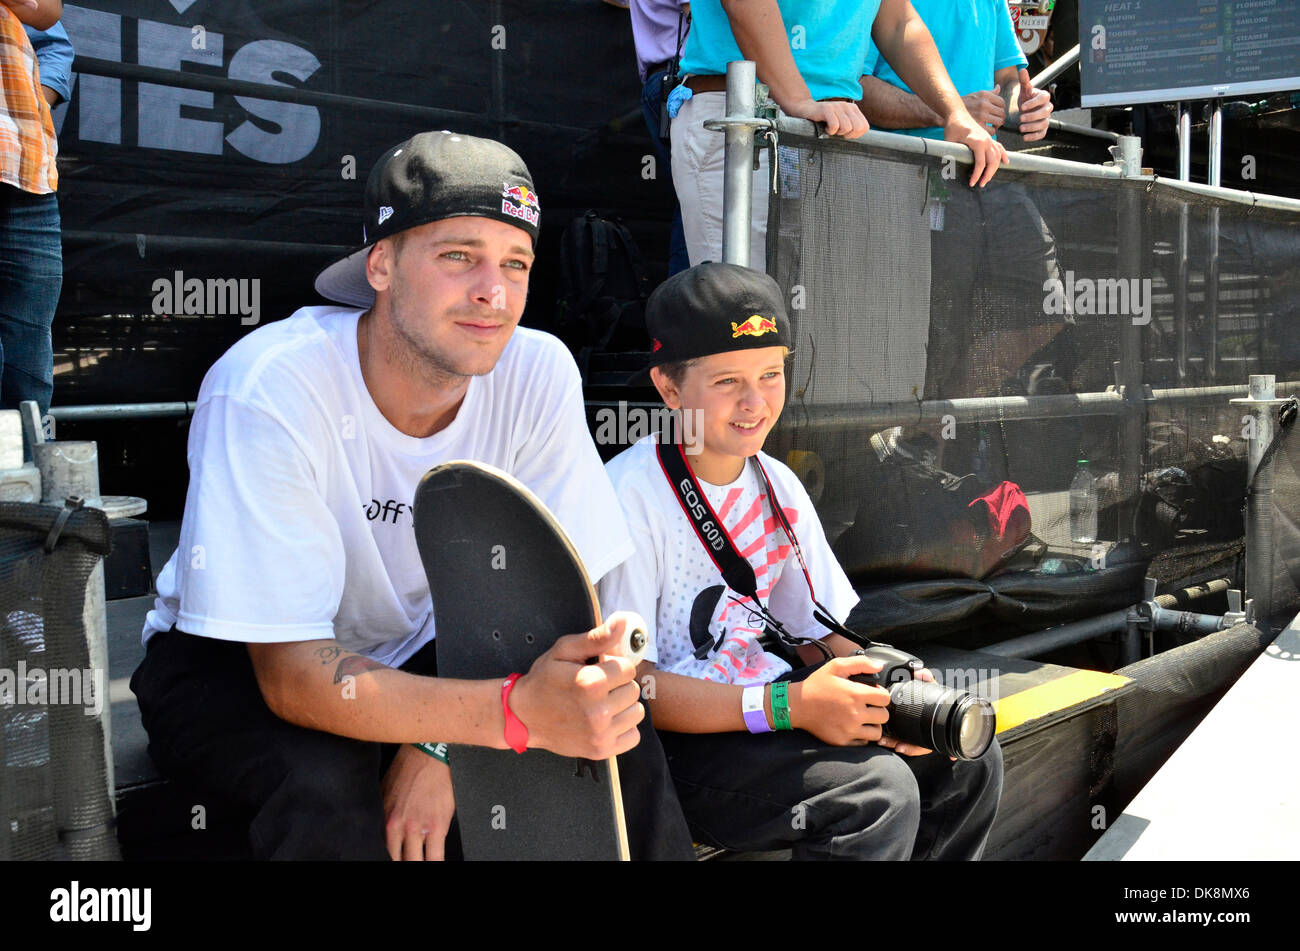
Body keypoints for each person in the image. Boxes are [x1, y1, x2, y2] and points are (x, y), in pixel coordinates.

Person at [131, 131, 694, 861]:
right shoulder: (270, 385)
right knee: (326, 788)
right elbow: (294, 676)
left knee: (613, 728)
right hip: (241, 655)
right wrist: (496, 719)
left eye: (515, 263)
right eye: (458, 256)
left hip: (431, 645)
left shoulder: (537, 368)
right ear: (382, 264)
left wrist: (442, 741)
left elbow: (566, 597)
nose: (493, 292)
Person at [597, 262, 1003, 859]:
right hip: (674, 747)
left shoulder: (777, 482)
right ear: (668, 388)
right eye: (727, 381)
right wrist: (791, 707)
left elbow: (820, 634)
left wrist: (890, 687)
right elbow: (630, 686)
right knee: (876, 796)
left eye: (771, 373)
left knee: (965, 756)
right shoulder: (627, 495)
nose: (755, 401)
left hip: (769, 710)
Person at [669, 0, 1008, 273]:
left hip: (833, 131)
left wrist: (956, 115)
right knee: (751, 324)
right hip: (750, 119)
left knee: (830, 328)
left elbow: (898, 21)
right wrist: (800, 100)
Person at [0, 0, 63, 417]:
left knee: (29, 367)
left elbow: (49, 16)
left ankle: (25, 475)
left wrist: (28, 98)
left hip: (26, 169)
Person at [629, 0, 691, 276]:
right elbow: (707, 14)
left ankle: (685, 305)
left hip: (662, 80)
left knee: (690, 196)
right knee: (697, 200)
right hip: (684, 82)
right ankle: (693, 305)